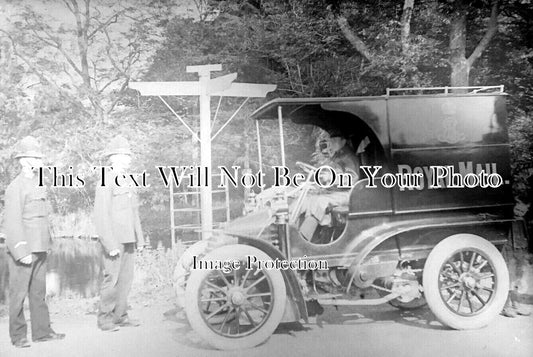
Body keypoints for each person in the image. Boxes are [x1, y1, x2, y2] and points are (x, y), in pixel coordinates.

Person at [3, 136, 65, 348]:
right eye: (34, 157)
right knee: (18, 294)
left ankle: (42, 331)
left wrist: (48, 244)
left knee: (38, 293)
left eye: (39, 157)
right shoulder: (15, 187)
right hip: (25, 249)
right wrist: (22, 251)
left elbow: (41, 218)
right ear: (23, 161)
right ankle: (18, 336)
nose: (39, 161)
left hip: (39, 247)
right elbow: (12, 223)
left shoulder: (38, 183)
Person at [93, 135, 145, 331]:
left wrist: (139, 239)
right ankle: (105, 319)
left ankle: (120, 315)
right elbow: (101, 216)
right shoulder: (106, 180)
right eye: (125, 156)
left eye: (129, 156)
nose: (129, 160)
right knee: (111, 280)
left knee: (125, 280)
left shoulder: (128, 180)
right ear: (114, 158)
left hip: (128, 239)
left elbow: (134, 212)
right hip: (115, 240)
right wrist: (110, 244)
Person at [298, 132, 360, 241]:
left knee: (319, 202)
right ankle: (311, 236)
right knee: (308, 198)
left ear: (343, 140)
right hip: (337, 192)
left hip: (348, 194)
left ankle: (303, 240)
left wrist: (331, 178)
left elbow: (351, 179)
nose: (331, 143)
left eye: (334, 140)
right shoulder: (337, 156)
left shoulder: (348, 157)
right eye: (330, 140)